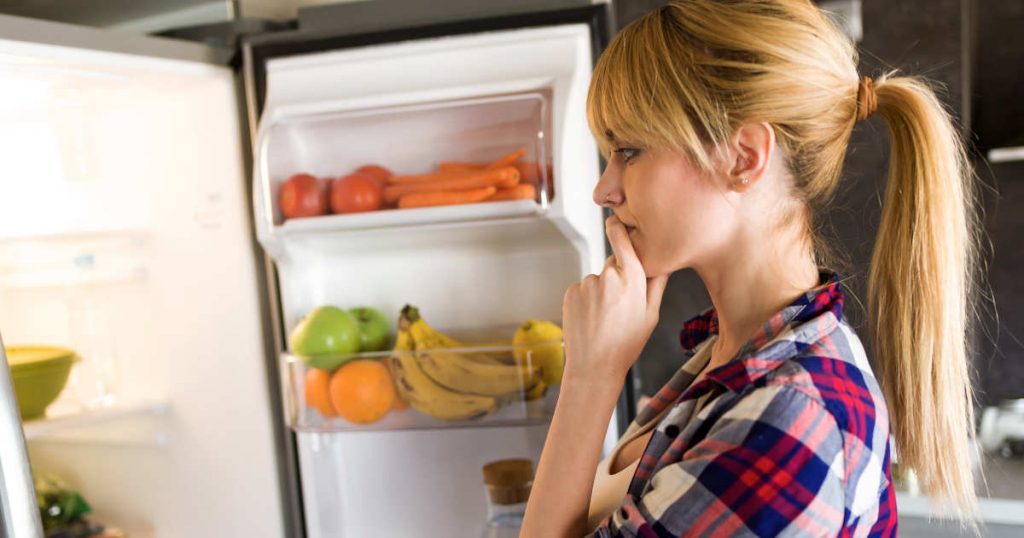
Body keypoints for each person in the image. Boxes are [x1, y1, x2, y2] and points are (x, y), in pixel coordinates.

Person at [520, 1, 980, 536]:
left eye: (629, 151)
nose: (604, 190)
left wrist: (591, 376)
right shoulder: (729, 357)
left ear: (744, 158)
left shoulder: (791, 421)